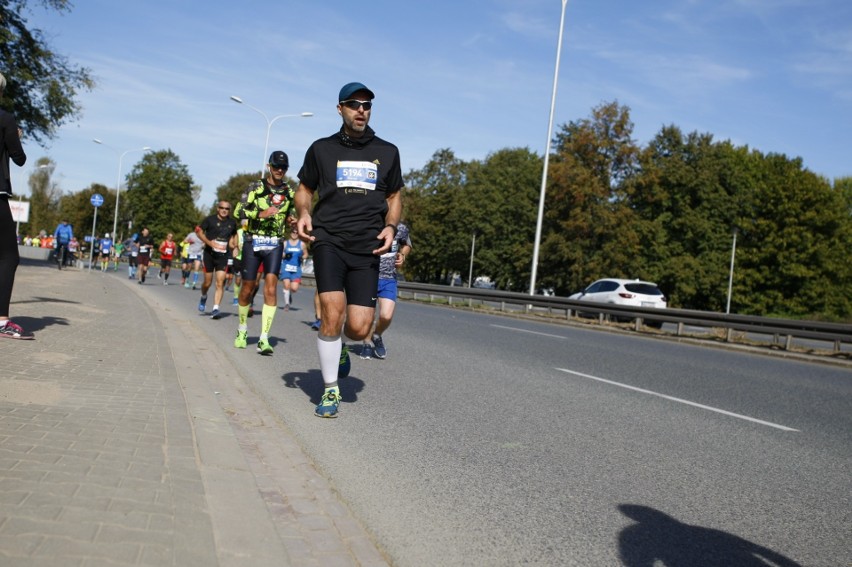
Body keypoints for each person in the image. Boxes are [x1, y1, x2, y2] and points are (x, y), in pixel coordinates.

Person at [295, 82, 403, 418]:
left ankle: (340, 348)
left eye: (367, 105)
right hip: (328, 239)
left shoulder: (388, 151)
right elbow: (304, 189)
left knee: (358, 327)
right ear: (340, 108)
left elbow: (394, 197)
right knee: (331, 313)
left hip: (367, 247)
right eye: (354, 104)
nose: (361, 110)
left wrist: (390, 226)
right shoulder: (321, 149)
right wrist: (303, 213)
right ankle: (330, 391)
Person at [233, 151, 295, 355]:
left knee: (270, 288)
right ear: (269, 166)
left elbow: (291, 213)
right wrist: (260, 213)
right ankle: (242, 330)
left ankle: (264, 338)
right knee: (247, 288)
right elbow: (238, 211)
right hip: (253, 241)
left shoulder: (289, 192)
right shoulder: (255, 187)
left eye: (283, 168)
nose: (280, 170)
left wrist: (291, 220)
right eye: (276, 166)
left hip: (275, 244)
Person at [0, 71, 32, 339]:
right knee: (9, 256)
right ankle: (1, 320)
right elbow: (19, 158)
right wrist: (15, 135)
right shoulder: (5, 118)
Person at [361, 221, 411, 359]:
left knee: (386, 316)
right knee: (368, 316)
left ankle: (376, 335)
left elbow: (406, 244)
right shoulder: (368, 222)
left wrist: (403, 254)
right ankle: (366, 343)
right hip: (369, 276)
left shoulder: (400, 227)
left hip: (389, 279)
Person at [196, 201, 237, 318]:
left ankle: (215, 308)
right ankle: (203, 296)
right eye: (222, 208)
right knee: (207, 282)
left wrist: (235, 246)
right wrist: (210, 243)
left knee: (220, 282)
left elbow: (234, 235)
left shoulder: (232, 223)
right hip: (209, 254)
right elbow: (199, 232)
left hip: (223, 256)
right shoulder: (210, 220)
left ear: (230, 210)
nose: (224, 210)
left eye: (227, 209)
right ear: (217, 209)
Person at [279, 227, 307, 311]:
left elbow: (306, 254)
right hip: (286, 267)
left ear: (298, 234)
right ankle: (287, 304)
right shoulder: (285, 243)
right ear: (290, 233)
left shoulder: (302, 244)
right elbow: (280, 254)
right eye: (293, 232)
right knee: (286, 285)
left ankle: (289, 294)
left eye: (296, 232)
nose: (294, 233)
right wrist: (285, 255)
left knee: (294, 288)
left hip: (296, 268)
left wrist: (302, 257)